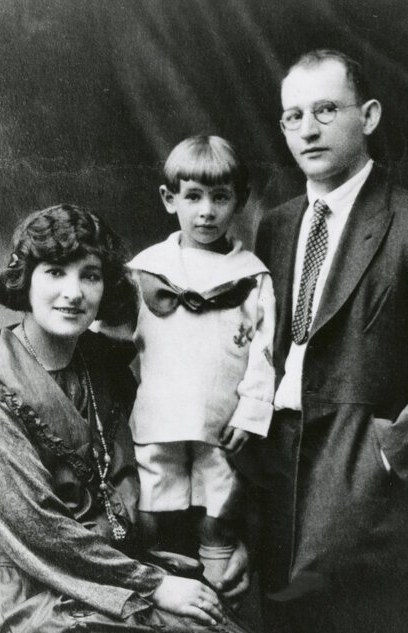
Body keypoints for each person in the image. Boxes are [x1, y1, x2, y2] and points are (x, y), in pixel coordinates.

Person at [0, 204, 307, 633]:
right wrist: (153, 583)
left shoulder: (101, 364)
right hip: (15, 580)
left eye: (91, 275)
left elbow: (177, 449)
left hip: (105, 565)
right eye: (54, 273)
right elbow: (36, 528)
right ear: (23, 281)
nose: (73, 293)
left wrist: (214, 542)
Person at [236, 48, 408, 633]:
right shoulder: (277, 225)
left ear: (366, 116)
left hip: (368, 510)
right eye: (293, 116)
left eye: (326, 110)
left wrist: (386, 454)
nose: (307, 129)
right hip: (280, 495)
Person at [128, 135, 275, 586]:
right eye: (193, 197)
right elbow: (112, 340)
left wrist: (251, 414)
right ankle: (169, 599)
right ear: (169, 200)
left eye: (219, 197)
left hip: (221, 421)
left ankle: (219, 596)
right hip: (158, 416)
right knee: (155, 514)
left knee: (220, 514)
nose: (206, 211)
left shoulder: (250, 275)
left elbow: (264, 351)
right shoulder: (145, 269)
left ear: (241, 201)